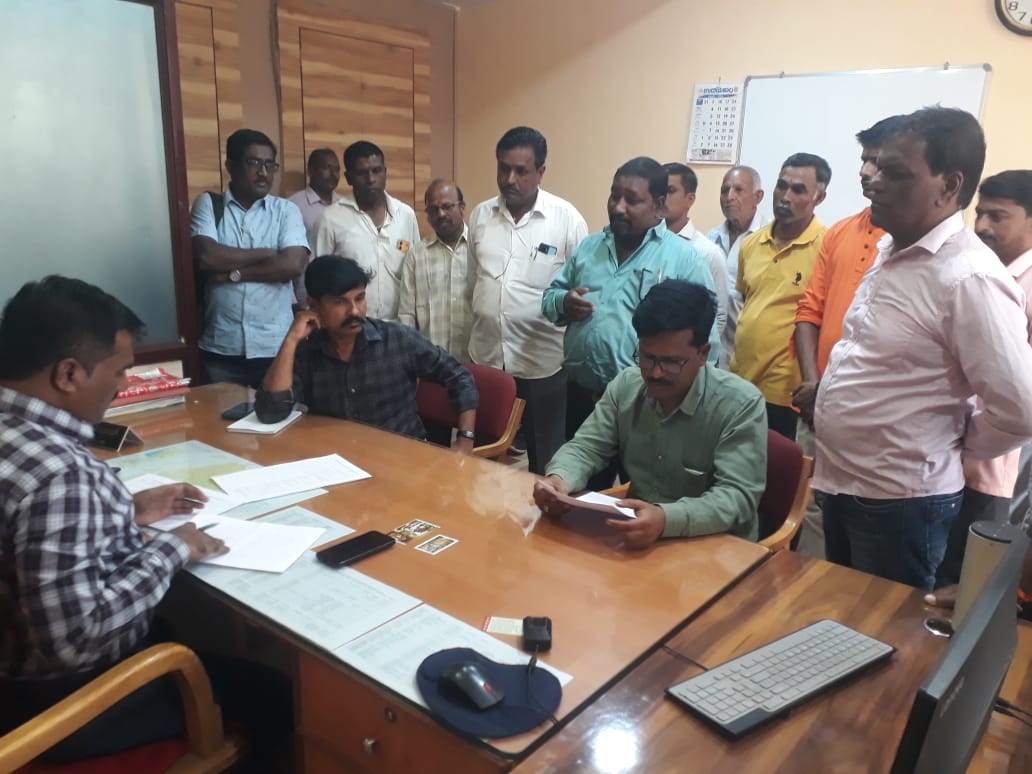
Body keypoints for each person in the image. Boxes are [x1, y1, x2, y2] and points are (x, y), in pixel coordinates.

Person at [0, 276, 290, 768]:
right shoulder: (60, 476)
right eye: (119, 372)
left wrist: (127, 509)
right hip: (55, 704)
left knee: (180, 629)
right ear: (68, 374)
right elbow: (75, 643)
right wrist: (175, 548)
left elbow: (23, 529)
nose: (124, 386)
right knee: (274, 693)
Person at [814, 108, 1032, 591]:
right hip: (847, 482)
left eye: (896, 174)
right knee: (842, 615)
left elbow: (1021, 411)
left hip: (900, 501)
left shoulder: (969, 277)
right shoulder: (894, 250)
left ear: (948, 186)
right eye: (876, 169)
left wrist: (956, 442)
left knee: (885, 627)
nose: (874, 182)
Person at [533, 280, 766, 549]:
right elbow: (587, 447)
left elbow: (737, 497)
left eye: (671, 362)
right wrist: (558, 480)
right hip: (638, 535)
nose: (655, 373)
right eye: (647, 357)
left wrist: (666, 519)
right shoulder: (627, 386)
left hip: (717, 547)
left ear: (703, 353)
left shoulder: (740, 404)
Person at [542, 157, 719, 491]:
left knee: (645, 496)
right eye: (614, 196)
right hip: (583, 398)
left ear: (659, 205)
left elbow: (706, 342)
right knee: (580, 493)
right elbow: (550, 298)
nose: (618, 207)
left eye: (632, 200)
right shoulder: (589, 247)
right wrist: (563, 302)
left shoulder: (684, 259)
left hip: (648, 407)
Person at [790, 116, 902, 555]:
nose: (864, 171)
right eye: (863, 159)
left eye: (876, 161)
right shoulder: (839, 232)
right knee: (810, 514)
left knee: (865, 529)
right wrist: (812, 384)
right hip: (815, 409)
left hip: (874, 425)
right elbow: (809, 311)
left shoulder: (912, 242)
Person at [256, 255, 478, 450]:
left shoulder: (397, 339)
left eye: (360, 298)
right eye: (339, 302)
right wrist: (291, 340)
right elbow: (271, 413)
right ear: (313, 305)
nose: (354, 311)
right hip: (336, 460)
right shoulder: (306, 349)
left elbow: (459, 376)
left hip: (403, 458)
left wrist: (465, 439)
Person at [467, 126, 588, 474]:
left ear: (541, 171)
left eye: (521, 171)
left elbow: (580, 290)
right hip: (487, 359)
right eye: (503, 169)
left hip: (542, 365)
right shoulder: (480, 216)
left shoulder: (566, 220)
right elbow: (474, 281)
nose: (510, 179)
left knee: (545, 463)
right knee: (483, 459)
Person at [935, 170, 1032, 587]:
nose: (982, 226)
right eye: (979, 213)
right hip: (954, 461)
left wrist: (972, 443)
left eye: (998, 216)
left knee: (964, 581)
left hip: (992, 470)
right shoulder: (985, 272)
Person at [191, 128, 310, 388]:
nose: (263, 173)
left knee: (279, 412)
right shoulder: (209, 205)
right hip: (222, 348)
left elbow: (292, 265)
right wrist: (268, 253)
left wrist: (234, 274)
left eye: (270, 165)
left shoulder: (286, 211)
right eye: (253, 163)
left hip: (276, 348)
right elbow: (208, 258)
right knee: (221, 415)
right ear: (231, 167)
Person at [731, 152, 830, 441]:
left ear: (819, 198)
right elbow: (748, 304)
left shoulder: (827, 246)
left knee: (778, 466)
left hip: (787, 393)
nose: (785, 197)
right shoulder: (751, 243)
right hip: (740, 382)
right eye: (781, 186)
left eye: (798, 190)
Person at [313, 140, 420, 321]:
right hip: (351, 324)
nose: (371, 179)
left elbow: (416, 271)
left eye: (376, 171)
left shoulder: (406, 215)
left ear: (385, 172)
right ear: (348, 178)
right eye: (362, 173)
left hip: (399, 326)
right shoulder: (330, 219)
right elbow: (318, 279)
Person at [397, 179, 472, 359]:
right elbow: (406, 316)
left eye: (447, 207)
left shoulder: (480, 249)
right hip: (431, 364)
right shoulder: (416, 256)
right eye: (433, 209)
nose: (441, 214)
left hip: (475, 361)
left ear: (462, 207)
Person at [707, 166, 768, 367]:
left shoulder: (769, 240)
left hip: (751, 356)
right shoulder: (711, 239)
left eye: (738, 190)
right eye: (725, 190)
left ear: (758, 197)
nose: (729, 197)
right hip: (712, 353)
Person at [662, 162, 728, 338]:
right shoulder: (645, 244)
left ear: (690, 198)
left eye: (670, 191)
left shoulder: (707, 252)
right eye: (658, 190)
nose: (662, 197)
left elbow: (719, 315)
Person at [288, 148, 342, 305]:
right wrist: (292, 301)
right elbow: (285, 255)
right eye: (326, 168)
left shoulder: (346, 206)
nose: (333, 174)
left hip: (342, 292)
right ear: (310, 171)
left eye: (336, 169)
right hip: (307, 295)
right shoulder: (293, 206)